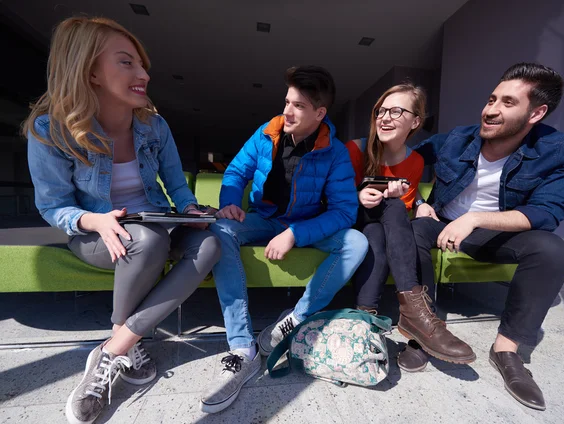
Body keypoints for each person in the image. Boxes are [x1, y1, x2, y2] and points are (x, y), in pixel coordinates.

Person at [25, 17, 220, 424]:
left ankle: (115, 347)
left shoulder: (154, 125)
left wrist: (189, 211)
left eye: (142, 64)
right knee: (145, 241)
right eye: (127, 62)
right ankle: (123, 345)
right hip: (97, 233)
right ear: (90, 71)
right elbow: (53, 206)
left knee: (212, 243)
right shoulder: (50, 131)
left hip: (154, 223)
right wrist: (94, 220)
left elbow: (176, 188)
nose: (143, 74)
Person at [412, 62, 564, 410]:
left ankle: (507, 350)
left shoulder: (557, 150)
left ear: (536, 113)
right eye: (491, 99)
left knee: (552, 250)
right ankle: (423, 330)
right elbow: (403, 158)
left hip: (492, 234)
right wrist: (416, 201)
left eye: (507, 102)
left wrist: (475, 219)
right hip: (440, 221)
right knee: (410, 229)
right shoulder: (458, 138)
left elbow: (547, 213)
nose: (490, 110)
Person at [203, 65, 368, 413]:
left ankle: (298, 315)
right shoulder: (266, 133)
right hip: (263, 218)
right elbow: (235, 172)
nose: (287, 111)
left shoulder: (335, 152)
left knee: (356, 242)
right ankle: (241, 345)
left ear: (319, 113)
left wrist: (296, 233)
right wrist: (230, 203)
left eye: (298, 106)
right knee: (220, 229)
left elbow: (343, 212)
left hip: (305, 224)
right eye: (286, 102)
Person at [347, 84, 475, 372]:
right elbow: (329, 197)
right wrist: (357, 196)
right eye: (380, 111)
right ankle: (416, 311)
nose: (384, 117)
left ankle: (365, 318)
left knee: (384, 225)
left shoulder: (415, 161)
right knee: (390, 209)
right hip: (349, 218)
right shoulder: (355, 149)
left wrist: (417, 203)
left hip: (379, 227)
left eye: (396, 111)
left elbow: (402, 206)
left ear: (415, 122)